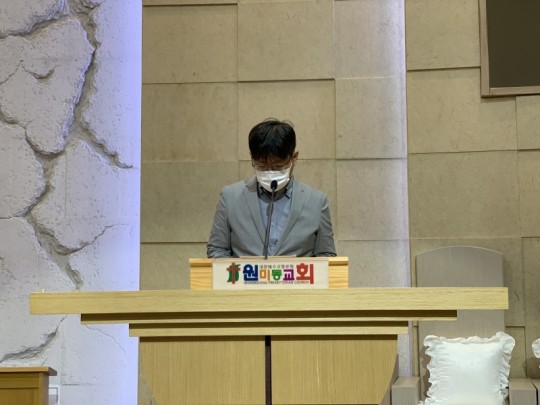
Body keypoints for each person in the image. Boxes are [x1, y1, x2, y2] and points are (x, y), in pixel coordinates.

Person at [207, 118, 336, 258]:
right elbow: (217, 249)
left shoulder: (317, 202)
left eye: (278, 166)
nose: (270, 172)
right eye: (262, 166)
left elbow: (326, 255)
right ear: (252, 159)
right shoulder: (230, 197)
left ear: (294, 158)